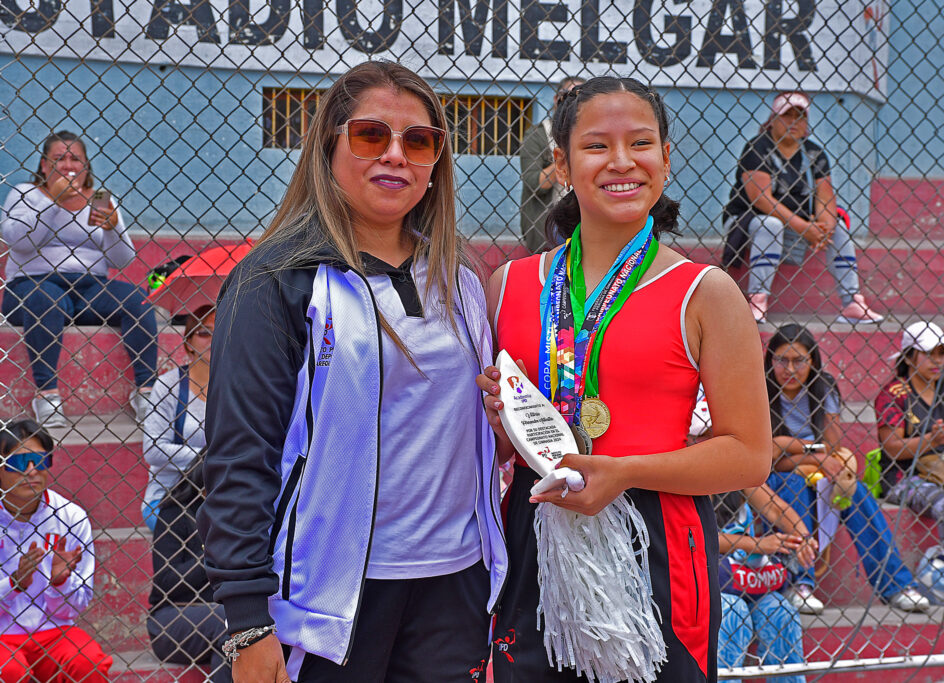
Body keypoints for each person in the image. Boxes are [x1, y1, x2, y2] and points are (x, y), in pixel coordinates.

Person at [197, 60, 507, 682]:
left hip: (456, 584)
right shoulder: (274, 281)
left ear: (436, 163)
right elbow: (240, 457)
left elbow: (469, 441)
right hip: (330, 597)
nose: (395, 155)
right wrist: (247, 621)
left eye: (418, 141)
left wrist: (506, 422)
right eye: (371, 135)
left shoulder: (463, 283)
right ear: (329, 146)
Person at [480, 76, 772, 682]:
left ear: (665, 158)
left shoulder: (705, 292)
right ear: (561, 163)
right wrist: (500, 427)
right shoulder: (508, 286)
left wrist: (626, 471)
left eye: (640, 143)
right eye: (596, 146)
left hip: (659, 549)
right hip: (535, 536)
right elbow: (504, 448)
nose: (621, 162)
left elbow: (748, 457)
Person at [764, 323, 929, 614]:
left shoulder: (822, 386)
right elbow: (768, 459)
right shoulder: (761, 391)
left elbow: (830, 447)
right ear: (771, 361)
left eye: (799, 360)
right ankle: (798, 584)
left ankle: (896, 585)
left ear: (812, 360)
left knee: (858, 491)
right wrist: (808, 452)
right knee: (791, 482)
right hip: (775, 480)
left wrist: (791, 448)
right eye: (781, 360)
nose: (789, 369)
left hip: (816, 472)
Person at [1, 131, 158, 428]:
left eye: (75, 158)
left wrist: (113, 228)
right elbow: (19, 241)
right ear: (44, 165)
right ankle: (47, 395)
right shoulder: (26, 193)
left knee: (137, 300)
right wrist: (54, 201)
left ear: (86, 166)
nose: (68, 164)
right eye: (59, 158)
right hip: (31, 285)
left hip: (88, 288)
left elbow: (122, 260)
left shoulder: (99, 199)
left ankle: (147, 392)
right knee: (47, 299)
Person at [721, 92, 883, 325]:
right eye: (787, 117)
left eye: (800, 118)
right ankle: (757, 300)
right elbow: (761, 200)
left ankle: (852, 302)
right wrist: (805, 228)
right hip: (747, 222)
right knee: (771, 223)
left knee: (838, 228)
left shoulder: (813, 152)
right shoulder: (757, 147)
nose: (794, 123)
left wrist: (823, 230)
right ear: (773, 119)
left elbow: (825, 198)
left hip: (796, 224)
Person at [875, 321, 944, 603]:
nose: (937, 360)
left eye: (941, 353)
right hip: (904, 478)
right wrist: (930, 440)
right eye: (929, 353)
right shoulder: (893, 395)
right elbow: (891, 448)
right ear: (909, 356)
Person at [0, 418, 112, 682]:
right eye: (19, 462)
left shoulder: (71, 517)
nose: (32, 472)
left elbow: (74, 609)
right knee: (10, 672)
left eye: (40, 461)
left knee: (88, 663)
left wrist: (60, 583)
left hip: (53, 629)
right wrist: (14, 583)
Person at [716, 486, 815, 683]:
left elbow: (776, 507)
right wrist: (754, 544)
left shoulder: (738, 474)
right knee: (733, 612)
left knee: (782, 613)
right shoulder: (694, 480)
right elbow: (696, 536)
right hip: (709, 584)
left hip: (747, 579)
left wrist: (802, 537)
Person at [148, 456, 230, 682]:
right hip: (172, 618)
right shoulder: (176, 511)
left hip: (221, 617)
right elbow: (165, 581)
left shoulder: (242, 515)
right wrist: (212, 555)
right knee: (232, 620)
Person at [140, 305, 214, 531]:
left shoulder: (238, 386)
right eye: (204, 332)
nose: (213, 339)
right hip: (171, 495)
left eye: (221, 331)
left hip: (224, 494)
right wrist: (211, 459)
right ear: (188, 342)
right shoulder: (168, 385)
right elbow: (153, 449)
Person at [519, 76, 585, 253]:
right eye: (568, 95)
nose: (573, 101)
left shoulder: (594, 135)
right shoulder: (538, 135)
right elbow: (536, 184)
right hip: (550, 222)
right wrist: (567, 157)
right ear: (556, 100)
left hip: (587, 219)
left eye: (580, 96)